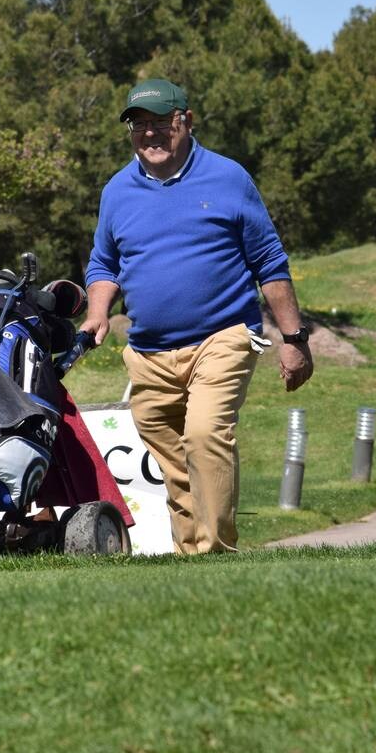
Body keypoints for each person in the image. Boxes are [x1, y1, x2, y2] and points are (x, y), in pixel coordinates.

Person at [81, 79, 314, 554]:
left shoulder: (228, 178)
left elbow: (269, 260)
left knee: (206, 434)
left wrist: (294, 337)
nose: (150, 135)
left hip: (224, 337)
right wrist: (98, 312)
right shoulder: (117, 191)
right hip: (148, 353)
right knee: (176, 464)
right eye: (139, 126)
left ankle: (216, 552)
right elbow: (104, 264)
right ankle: (193, 560)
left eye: (161, 123)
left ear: (185, 120)